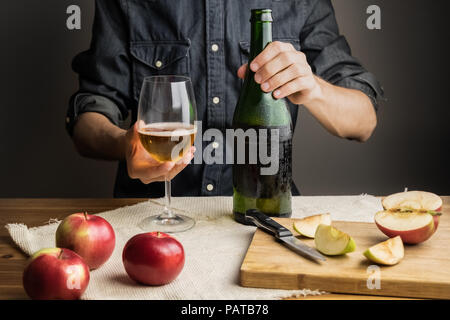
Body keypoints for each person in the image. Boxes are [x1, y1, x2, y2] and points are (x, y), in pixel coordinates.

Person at [67, 0, 383, 198]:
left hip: (264, 218)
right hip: (149, 218)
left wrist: (314, 88)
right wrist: (127, 144)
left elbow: (363, 122)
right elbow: (89, 118)